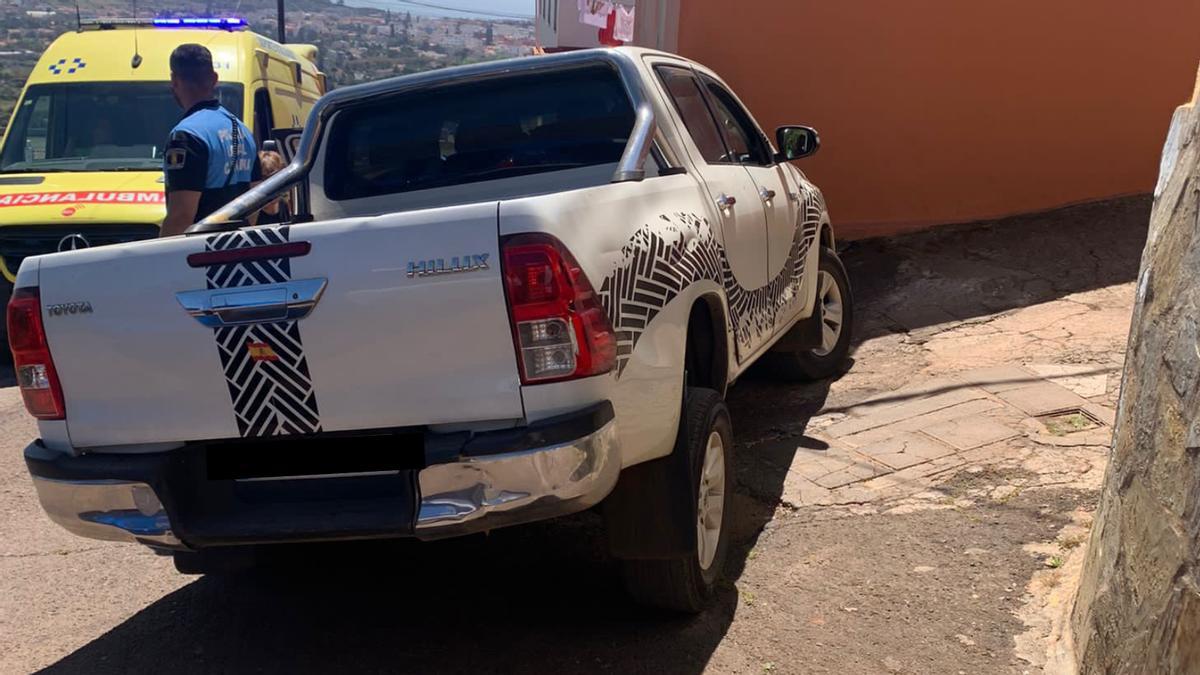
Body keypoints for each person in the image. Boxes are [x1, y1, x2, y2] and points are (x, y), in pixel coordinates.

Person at [160, 43, 260, 237]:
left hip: (200, 253)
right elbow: (255, 202)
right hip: (237, 248)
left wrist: (157, 262)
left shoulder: (186, 136)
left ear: (174, 80)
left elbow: (181, 217)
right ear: (214, 79)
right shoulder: (242, 130)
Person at [254, 149, 291, 225]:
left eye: (276, 179)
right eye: (265, 180)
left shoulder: (286, 206)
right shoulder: (252, 214)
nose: (272, 186)